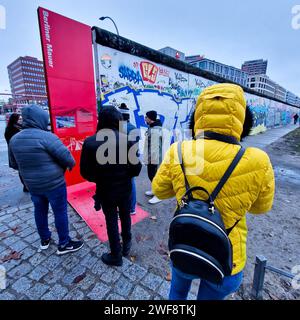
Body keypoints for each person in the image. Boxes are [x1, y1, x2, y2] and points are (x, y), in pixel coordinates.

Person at [152, 83, 275, 300]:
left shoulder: (178, 150)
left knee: (178, 293)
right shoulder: (258, 160)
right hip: (227, 256)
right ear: (243, 119)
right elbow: (260, 208)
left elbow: (159, 191)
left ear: (197, 116)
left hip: (185, 242)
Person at [9, 105, 83, 255]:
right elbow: (69, 159)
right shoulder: (47, 137)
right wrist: (62, 168)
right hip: (54, 184)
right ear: (40, 119)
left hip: (33, 186)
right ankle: (64, 243)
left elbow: (14, 164)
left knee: (40, 211)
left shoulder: (14, 140)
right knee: (60, 212)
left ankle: (44, 239)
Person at [80, 106, 142, 267]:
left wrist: (101, 177)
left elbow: (85, 173)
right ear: (117, 121)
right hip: (124, 188)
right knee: (126, 215)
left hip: (105, 190)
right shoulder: (127, 140)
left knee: (111, 220)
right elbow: (136, 169)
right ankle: (126, 246)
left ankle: (116, 254)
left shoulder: (90, 142)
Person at [119, 103, 140, 215]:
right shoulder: (134, 127)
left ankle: (123, 208)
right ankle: (132, 208)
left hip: (122, 160)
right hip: (133, 159)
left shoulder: (119, 129)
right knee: (131, 183)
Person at [4, 113, 28, 192]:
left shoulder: (14, 126)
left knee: (22, 169)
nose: (20, 120)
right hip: (16, 152)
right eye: (19, 119)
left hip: (18, 151)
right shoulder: (11, 129)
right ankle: (25, 186)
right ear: (15, 119)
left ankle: (26, 185)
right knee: (21, 169)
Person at [144, 110, 163, 205]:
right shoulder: (152, 127)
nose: (145, 118)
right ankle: (154, 190)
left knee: (154, 175)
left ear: (150, 118)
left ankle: (158, 195)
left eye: (146, 117)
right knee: (152, 175)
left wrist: (150, 158)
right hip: (151, 157)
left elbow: (155, 147)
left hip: (154, 158)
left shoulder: (155, 130)